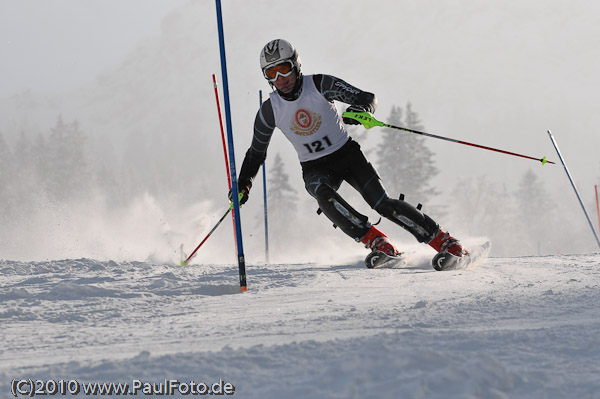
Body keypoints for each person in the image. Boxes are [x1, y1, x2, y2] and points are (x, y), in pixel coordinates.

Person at [232, 39, 467, 268]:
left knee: (382, 204)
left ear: (296, 65)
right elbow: (255, 154)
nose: (280, 79)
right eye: (271, 73)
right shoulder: (269, 111)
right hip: (315, 168)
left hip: (347, 156)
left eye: (283, 69)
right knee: (323, 195)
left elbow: (366, 97)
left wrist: (360, 109)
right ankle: (378, 242)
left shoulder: (320, 84)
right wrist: (244, 184)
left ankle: (446, 242)